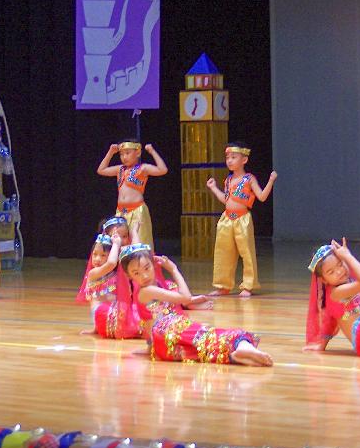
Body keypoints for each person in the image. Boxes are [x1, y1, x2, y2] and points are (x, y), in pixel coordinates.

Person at [116, 243, 272, 364]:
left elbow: (150, 324)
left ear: (153, 263)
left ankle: (236, 355)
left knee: (202, 349)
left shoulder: (157, 286)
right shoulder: (147, 290)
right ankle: (242, 346)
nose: (144, 275)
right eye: (136, 273)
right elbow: (185, 297)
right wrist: (174, 270)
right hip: (169, 330)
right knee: (210, 334)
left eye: (147, 268)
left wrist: (150, 348)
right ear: (129, 276)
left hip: (165, 344)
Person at [205, 142, 277, 297]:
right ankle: (223, 286)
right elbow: (225, 200)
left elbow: (262, 197)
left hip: (242, 219)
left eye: (233, 157)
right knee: (223, 252)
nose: (229, 160)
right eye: (227, 158)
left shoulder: (249, 179)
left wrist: (271, 181)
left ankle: (248, 285)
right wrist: (213, 188)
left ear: (244, 160)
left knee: (247, 253)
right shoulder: (228, 180)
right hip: (226, 219)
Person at [96, 140, 168, 249]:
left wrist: (152, 151)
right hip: (121, 212)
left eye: (127, 153)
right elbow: (101, 170)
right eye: (121, 154)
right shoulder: (119, 169)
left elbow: (162, 170)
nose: (124, 157)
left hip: (137, 210)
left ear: (138, 153)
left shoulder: (143, 168)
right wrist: (110, 152)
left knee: (139, 242)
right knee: (119, 242)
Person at [76, 232, 122, 335]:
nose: (97, 259)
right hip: (102, 316)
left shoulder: (118, 272)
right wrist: (116, 244)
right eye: (95, 254)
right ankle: (96, 328)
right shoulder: (93, 273)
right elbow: (111, 263)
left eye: (103, 255)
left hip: (116, 314)